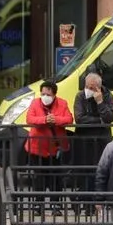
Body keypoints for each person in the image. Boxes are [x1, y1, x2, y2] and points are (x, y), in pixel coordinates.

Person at [24, 81, 73, 214]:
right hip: (37, 148)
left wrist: (55, 119)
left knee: (55, 178)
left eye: (48, 94)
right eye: (43, 93)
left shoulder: (62, 104)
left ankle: (55, 206)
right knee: (39, 178)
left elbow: (69, 119)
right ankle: (37, 206)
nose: (45, 96)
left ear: (54, 94)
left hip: (55, 149)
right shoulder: (35, 103)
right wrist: (45, 120)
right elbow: (29, 119)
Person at [72, 72, 113, 215]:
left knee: (101, 171)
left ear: (98, 87)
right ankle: (85, 203)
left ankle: (97, 203)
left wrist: (100, 103)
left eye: (92, 87)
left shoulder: (108, 96)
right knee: (85, 172)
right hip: (84, 141)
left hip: (102, 141)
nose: (88, 90)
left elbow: (109, 117)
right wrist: (99, 121)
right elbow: (79, 119)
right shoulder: (80, 96)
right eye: (87, 86)